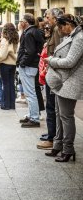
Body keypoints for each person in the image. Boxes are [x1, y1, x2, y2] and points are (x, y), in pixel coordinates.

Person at [44, 14, 83, 162]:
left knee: (66, 116)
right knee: (59, 114)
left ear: (68, 24)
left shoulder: (79, 38)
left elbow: (70, 61)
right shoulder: (73, 36)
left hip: (70, 82)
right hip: (63, 81)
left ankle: (68, 149)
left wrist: (52, 60)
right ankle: (58, 145)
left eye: (61, 27)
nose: (60, 30)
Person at [37, 8, 64, 150]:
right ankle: (52, 134)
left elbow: (58, 52)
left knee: (51, 106)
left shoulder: (58, 31)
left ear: (54, 18)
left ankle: (52, 138)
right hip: (51, 71)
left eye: (47, 17)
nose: (46, 19)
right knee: (51, 105)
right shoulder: (53, 31)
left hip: (54, 72)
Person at [17, 13, 45, 127]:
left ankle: (34, 118)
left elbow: (30, 51)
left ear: (26, 22)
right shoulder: (34, 31)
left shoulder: (29, 33)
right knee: (31, 93)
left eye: (21, 21)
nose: (19, 23)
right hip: (32, 66)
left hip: (29, 66)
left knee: (30, 93)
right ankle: (32, 114)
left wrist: (22, 63)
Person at [0, 23, 19, 110]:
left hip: (5, 64)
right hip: (13, 64)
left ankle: (6, 104)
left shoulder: (5, 40)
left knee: (6, 84)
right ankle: (12, 104)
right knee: (11, 84)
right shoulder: (15, 39)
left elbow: (2, 55)